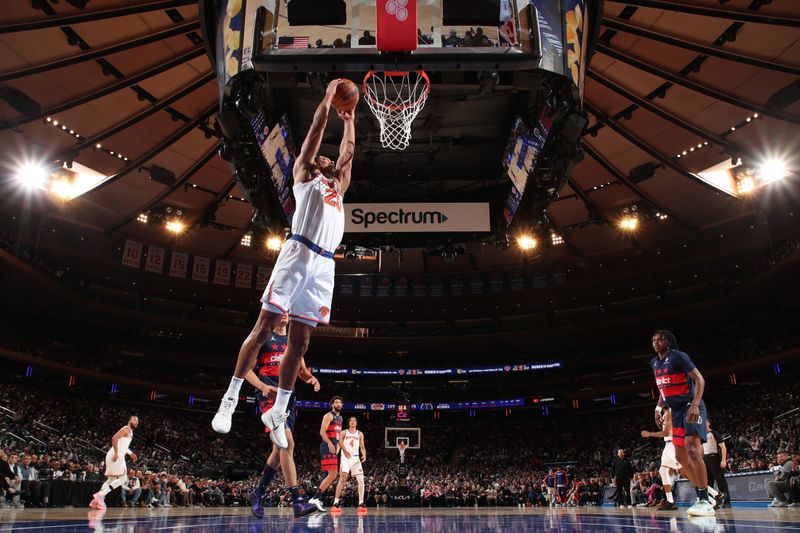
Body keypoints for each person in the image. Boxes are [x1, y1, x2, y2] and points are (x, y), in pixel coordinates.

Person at [212, 78, 355, 444]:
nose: (327, 159)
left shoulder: (337, 185)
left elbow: (348, 154)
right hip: (298, 253)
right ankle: (230, 397)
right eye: (324, 157)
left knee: (301, 342)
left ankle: (280, 410)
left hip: (325, 266)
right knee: (264, 328)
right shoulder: (304, 174)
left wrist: (351, 119)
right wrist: (327, 98)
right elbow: (317, 130)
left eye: (329, 159)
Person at [246, 313, 321, 519]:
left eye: (289, 311)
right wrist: (262, 386)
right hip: (269, 397)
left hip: (289, 399)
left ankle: (258, 494)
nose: (286, 313)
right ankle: (297, 500)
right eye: (282, 311)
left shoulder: (293, 341)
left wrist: (311, 379)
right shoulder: (264, 338)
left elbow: (302, 371)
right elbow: (246, 370)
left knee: (279, 449)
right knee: (288, 443)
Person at [651, 330, 715, 516]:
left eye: (660, 339)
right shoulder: (654, 363)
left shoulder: (678, 356)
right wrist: (658, 408)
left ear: (668, 342)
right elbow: (663, 388)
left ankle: (704, 499)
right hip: (675, 411)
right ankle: (704, 497)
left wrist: (695, 404)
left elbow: (700, 379)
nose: (656, 342)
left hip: (690, 405)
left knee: (692, 449)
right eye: (653, 340)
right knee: (680, 458)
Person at [90, 416, 139, 510]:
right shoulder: (126, 429)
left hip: (113, 454)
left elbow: (123, 445)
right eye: (134, 420)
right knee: (123, 478)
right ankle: (101, 495)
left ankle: (95, 501)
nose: (136, 422)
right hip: (116, 455)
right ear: (129, 420)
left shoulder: (129, 431)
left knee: (111, 479)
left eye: (137, 421)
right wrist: (116, 453)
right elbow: (114, 438)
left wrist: (130, 453)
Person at [641, 407, 681, 510]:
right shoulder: (665, 414)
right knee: (663, 471)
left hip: (673, 443)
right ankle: (670, 501)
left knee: (686, 473)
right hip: (669, 444)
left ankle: (713, 494)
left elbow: (666, 433)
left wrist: (649, 434)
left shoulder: (669, 413)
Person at [309, 396, 344, 511]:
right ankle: (315, 498)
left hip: (334, 448)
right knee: (333, 475)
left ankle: (316, 499)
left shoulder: (340, 418)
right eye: (336, 402)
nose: (339, 404)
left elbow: (338, 436)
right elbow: (322, 432)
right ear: (332, 404)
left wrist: (338, 447)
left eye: (340, 403)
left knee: (326, 475)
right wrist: (329, 443)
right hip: (327, 446)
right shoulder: (328, 415)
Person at [332, 416, 367, 514]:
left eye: (354, 420)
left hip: (356, 459)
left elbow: (362, 447)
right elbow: (339, 444)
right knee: (343, 478)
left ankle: (361, 503)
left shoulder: (360, 434)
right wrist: (336, 454)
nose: (352, 422)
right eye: (351, 420)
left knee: (361, 480)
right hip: (345, 457)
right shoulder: (343, 432)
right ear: (349, 423)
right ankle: (336, 502)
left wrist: (364, 455)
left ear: (356, 423)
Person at [703, 416, 730, 507]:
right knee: (708, 483)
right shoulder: (701, 435)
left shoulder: (714, 433)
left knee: (720, 480)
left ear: (708, 423)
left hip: (714, 458)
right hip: (705, 459)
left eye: (705, 422)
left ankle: (726, 501)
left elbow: (723, 447)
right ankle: (714, 502)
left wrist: (723, 459)